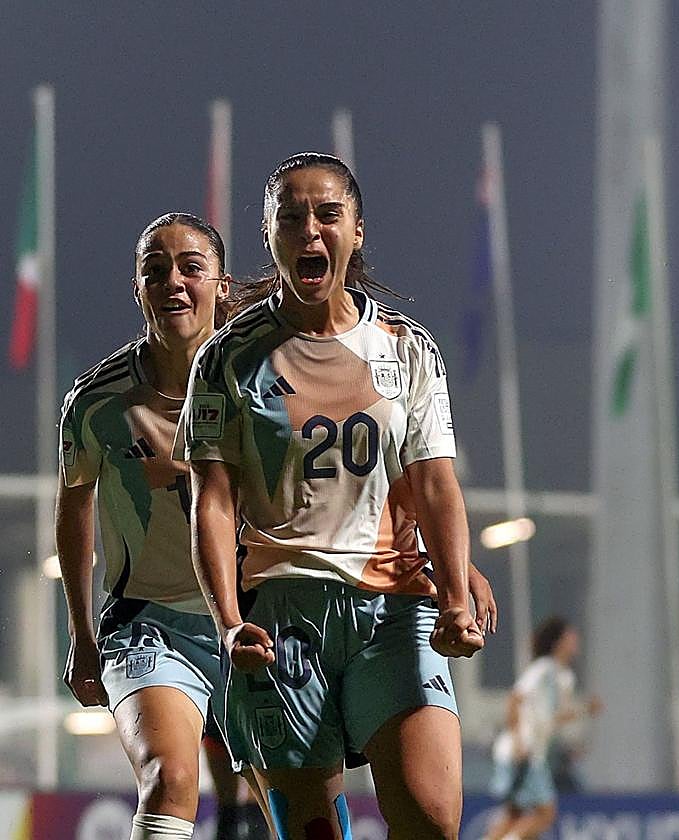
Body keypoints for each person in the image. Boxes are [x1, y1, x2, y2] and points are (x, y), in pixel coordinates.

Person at [182, 152, 489, 840]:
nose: (310, 231)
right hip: (281, 618)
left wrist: (455, 596)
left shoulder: (406, 347)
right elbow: (212, 500)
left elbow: (434, 482)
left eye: (327, 215)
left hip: (394, 607)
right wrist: (228, 620)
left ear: (356, 232)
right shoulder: (228, 358)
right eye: (291, 219)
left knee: (433, 823)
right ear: (269, 237)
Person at [57, 212, 271, 840]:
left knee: (288, 799)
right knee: (171, 776)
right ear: (137, 289)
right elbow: (73, 509)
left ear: (221, 285)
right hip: (149, 623)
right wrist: (79, 630)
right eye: (155, 270)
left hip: (254, 616)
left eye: (190, 267)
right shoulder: (96, 403)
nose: (173, 281)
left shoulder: (264, 385)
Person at [487, 617, 601, 840]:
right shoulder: (543, 669)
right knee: (545, 813)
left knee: (514, 817)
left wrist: (586, 709)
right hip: (522, 753)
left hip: (529, 752)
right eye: (570, 636)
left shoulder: (564, 677)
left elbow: (555, 717)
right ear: (559, 641)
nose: (576, 641)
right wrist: (519, 741)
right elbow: (515, 699)